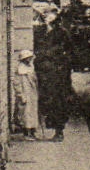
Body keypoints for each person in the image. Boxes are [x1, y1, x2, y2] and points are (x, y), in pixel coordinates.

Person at [36, 12, 73, 142]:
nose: (45, 21)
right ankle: (50, 128)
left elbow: (69, 51)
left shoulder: (61, 33)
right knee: (46, 101)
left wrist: (62, 65)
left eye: (48, 19)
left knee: (59, 102)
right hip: (45, 74)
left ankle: (59, 131)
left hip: (59, 75)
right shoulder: (41, 32)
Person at [13, 50, 39, 140]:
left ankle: (32, 132)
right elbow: (16, 83)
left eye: (30, 58)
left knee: (33, 113)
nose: (29, 60)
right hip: (25, 93)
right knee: (25, 114)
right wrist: (20, 94)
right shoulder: (20, 69)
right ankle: (26, 133)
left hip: (32, 93)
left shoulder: (31, 67)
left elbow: (34, 80)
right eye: (27, 58)